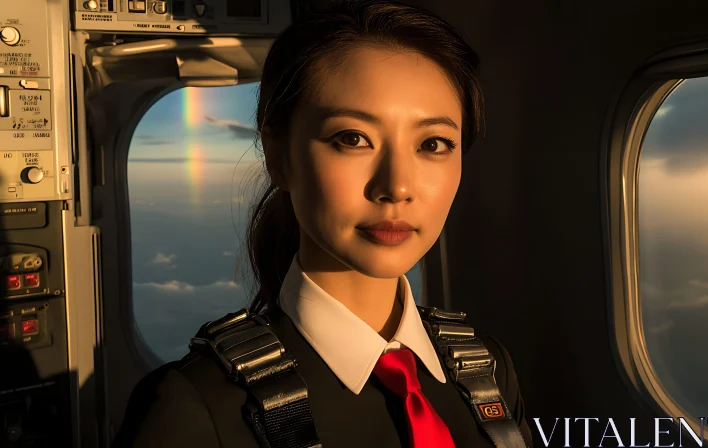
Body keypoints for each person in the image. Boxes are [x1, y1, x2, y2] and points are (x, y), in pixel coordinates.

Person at [112, 0, 533, 446]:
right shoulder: (194, 409)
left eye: (433, 143)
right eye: (352, 138)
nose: (397, 187)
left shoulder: (485, 370)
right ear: (279, 156)